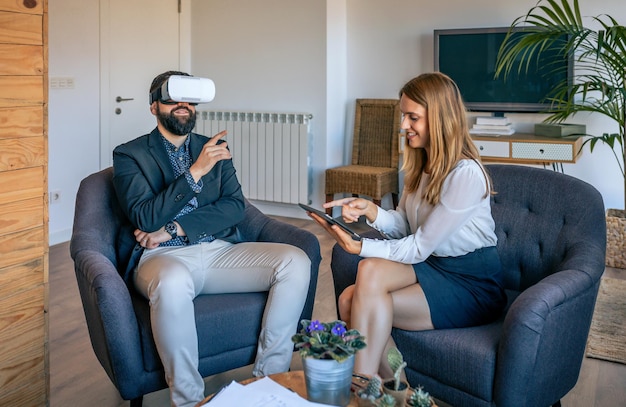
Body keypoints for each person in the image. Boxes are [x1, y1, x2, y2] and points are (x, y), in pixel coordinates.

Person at [112, 70, 311, 407]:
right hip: (161, 259)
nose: (183, 105)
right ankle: (189, 401)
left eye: (189, 99)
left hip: (217, 251)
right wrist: (195, 172)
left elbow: (234, 207)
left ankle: (269, 383)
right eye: (174, 98)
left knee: (295, 261)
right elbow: (145, 216)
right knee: (172, 282)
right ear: (153, 106)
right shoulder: (129, 155)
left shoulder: (213, 147)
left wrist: (175, 228)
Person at [308, 72, 507, 378]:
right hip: (435, 265)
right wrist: (371, 211)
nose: (403, 126)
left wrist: (360, 246)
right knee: (354, 290)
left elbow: (419, 245)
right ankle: (397, 391)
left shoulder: (465, 174)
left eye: (412, 117)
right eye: (404, 116)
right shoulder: (423, 164)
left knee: (362, 279)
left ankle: (362, 386)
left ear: (440, 118)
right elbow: (405, 224)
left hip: (472, 282)